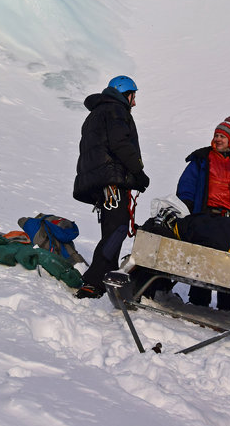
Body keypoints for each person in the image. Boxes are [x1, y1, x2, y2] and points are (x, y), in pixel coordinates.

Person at [72, 75, 149, 299]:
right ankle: (94, 282)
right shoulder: (116, 111)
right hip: (112, 182)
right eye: (133, 97)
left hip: (99, 182)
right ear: (125, 93)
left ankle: (107, 275)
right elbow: (120, 144)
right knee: (118, 228)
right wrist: (138, 172)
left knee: (112, 228)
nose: (134, 103)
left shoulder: (96, 113)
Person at [176, 115, 230, 310]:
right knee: (202, 259)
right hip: (206, 216)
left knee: (228, 264)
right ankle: (198, 302)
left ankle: (226, 306)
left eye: (223, 136)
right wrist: (186, 206)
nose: (218, 139)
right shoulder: (202, 158)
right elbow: (187, 184)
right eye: (216, 135)